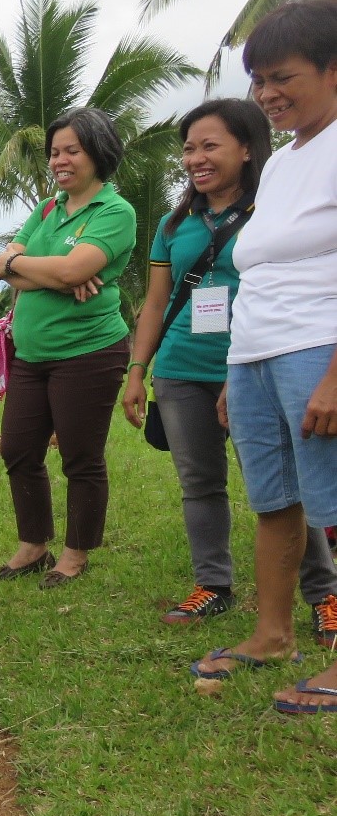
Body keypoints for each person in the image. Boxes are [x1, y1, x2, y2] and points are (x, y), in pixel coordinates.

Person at [122, 99, 337, 630]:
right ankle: (212, 584)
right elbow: (155, 302)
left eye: (210, 145)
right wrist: (137, 370)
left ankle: (323, 593)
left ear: (247, 148)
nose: (196, 157)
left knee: (287, 486)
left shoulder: (277, 207)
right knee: (199, 482)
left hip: (260, 360)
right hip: (181, 367)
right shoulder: (175, 224)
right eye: (189, 148)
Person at [185, 1, 337, 712]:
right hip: (257, 352)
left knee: (334, 505)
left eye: (283, 77)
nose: (268, 94)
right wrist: (236, 371)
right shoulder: (283, 164)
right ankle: (272, 634)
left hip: (319, 346)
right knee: (275, 501)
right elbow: (262, 269)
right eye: (258, 81)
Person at [0, 107, 136, 588]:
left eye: (71, 150)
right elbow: (1, 263)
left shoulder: (116, 212)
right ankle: (34, 544)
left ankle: (75, 553)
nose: (60, 160)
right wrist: (52, 271)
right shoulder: (50, 207)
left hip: (89, 351)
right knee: (18, 448)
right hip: (32, 355)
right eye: (55, 152)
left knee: (80, 456)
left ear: (98, 151)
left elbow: (69, 272)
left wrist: (34, 267)